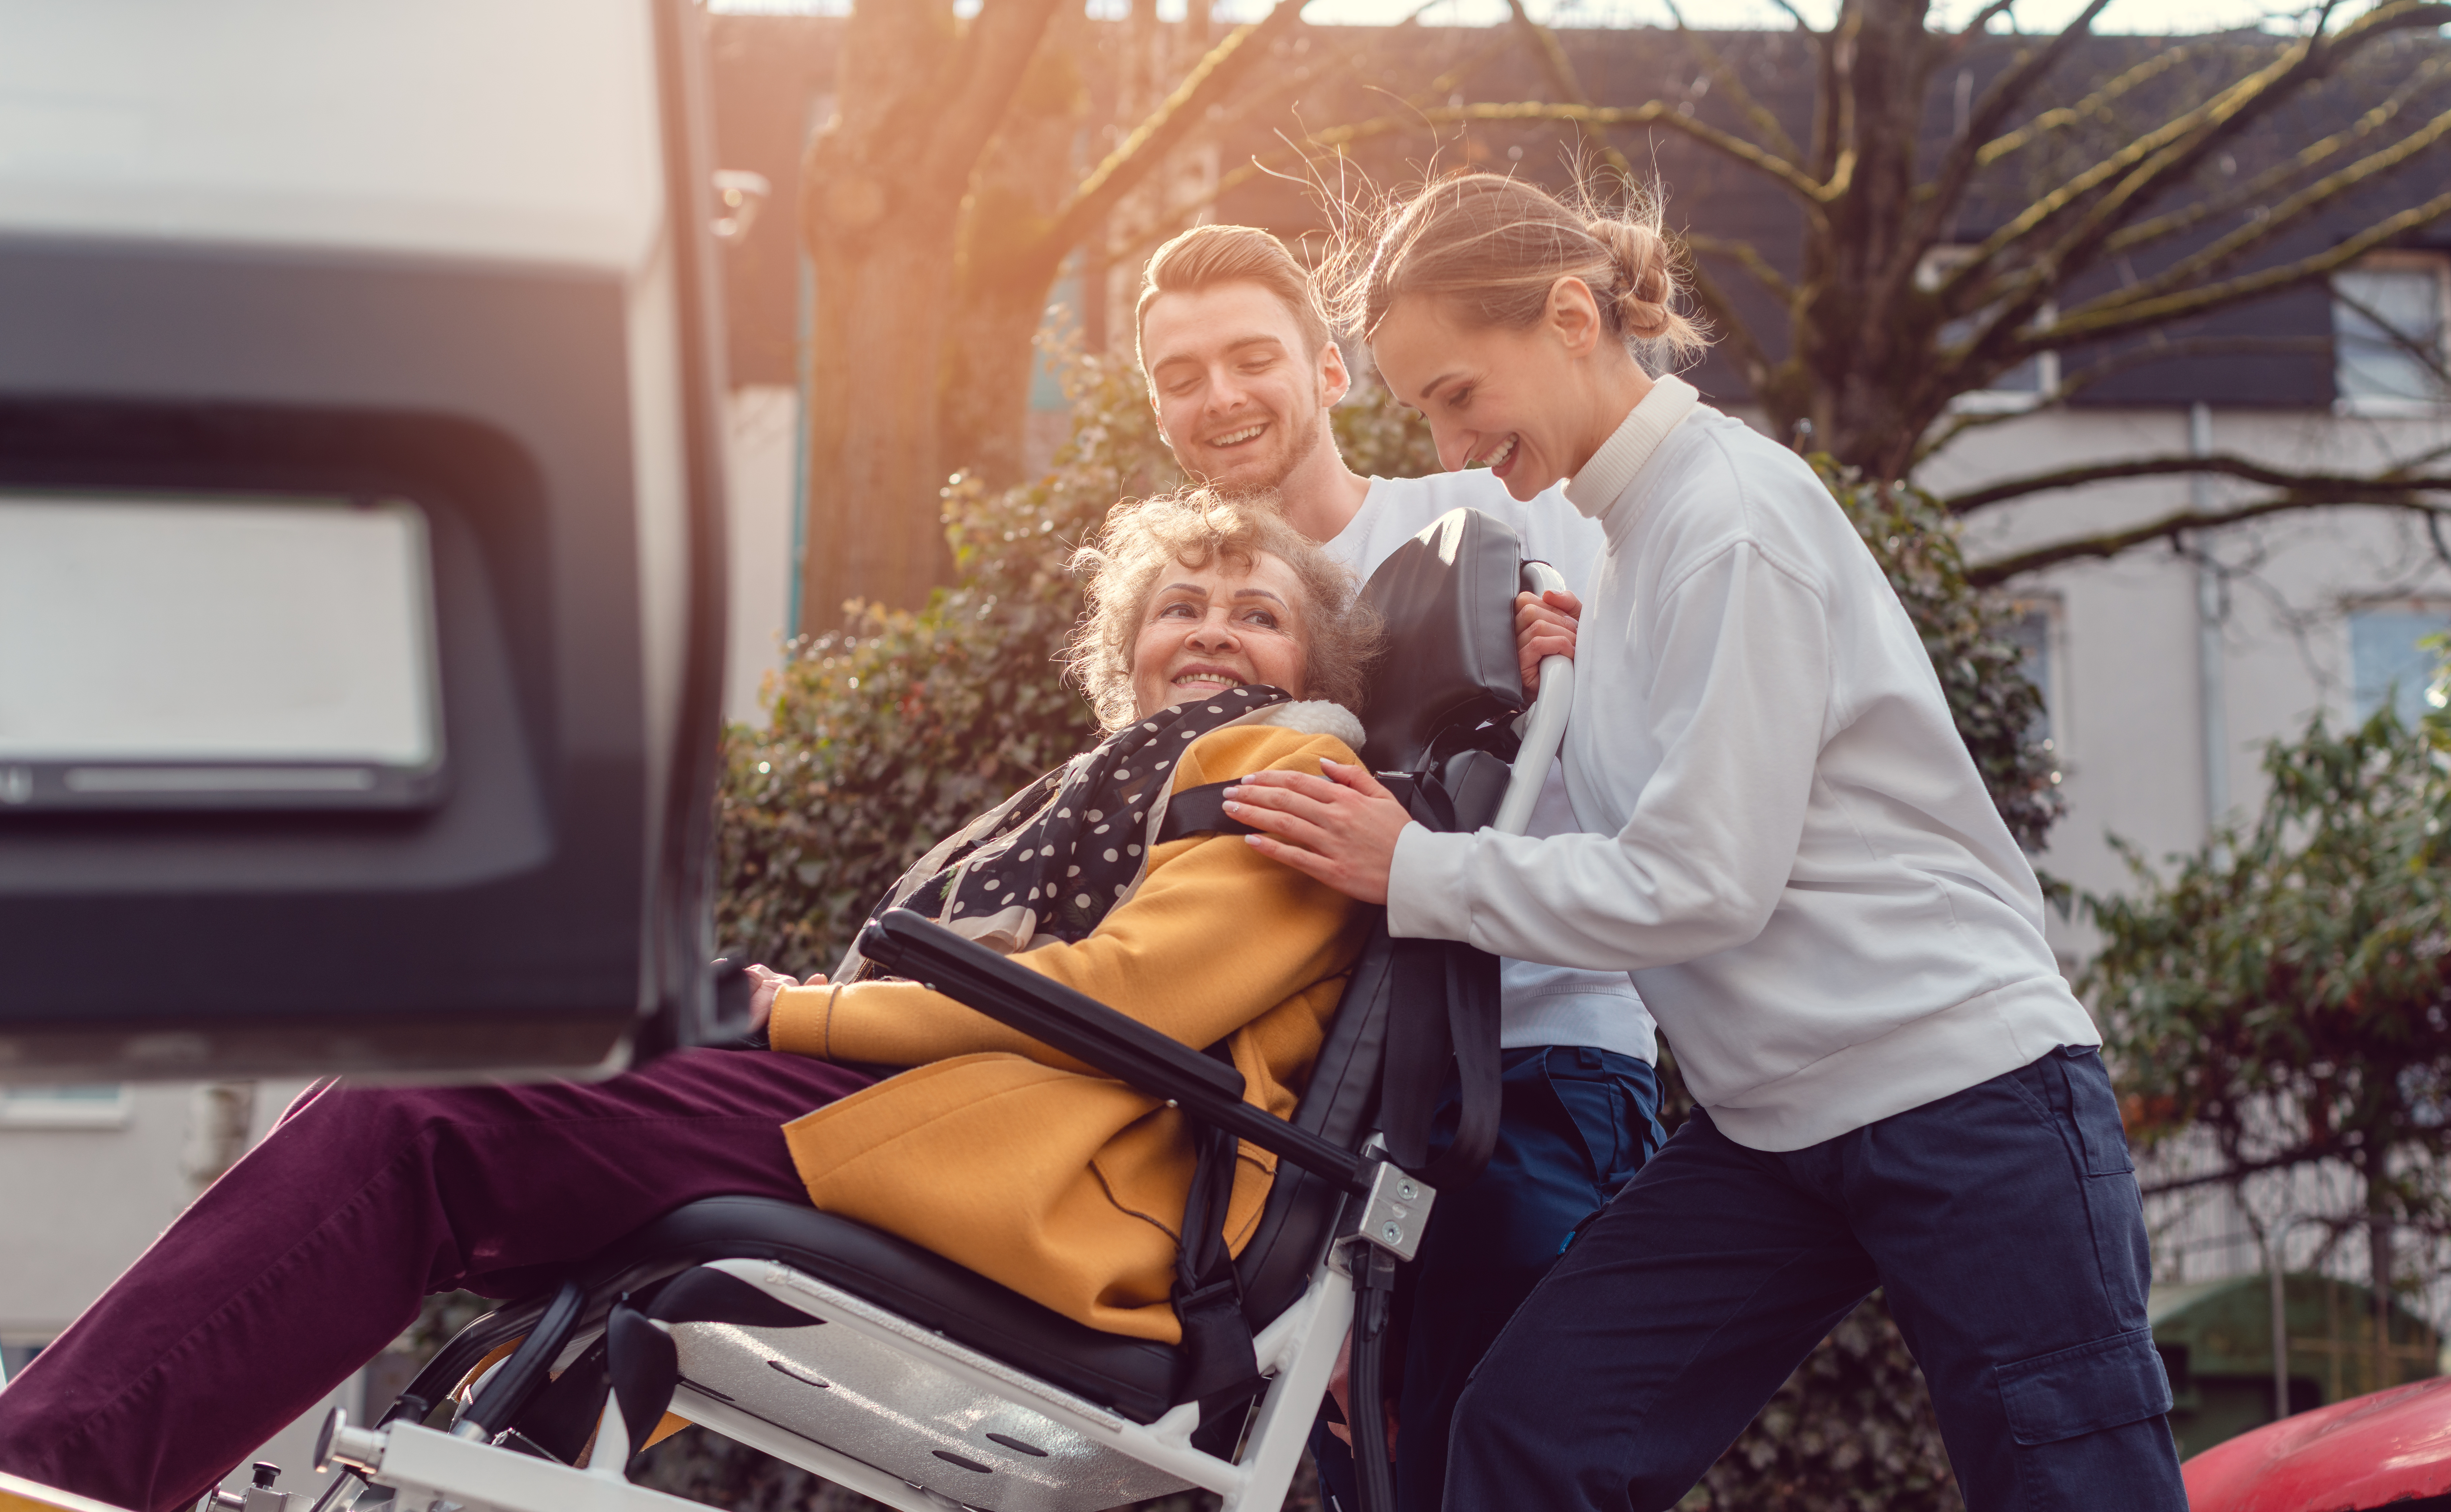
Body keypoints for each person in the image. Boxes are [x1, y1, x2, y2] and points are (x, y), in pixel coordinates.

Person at [0, 490, 1388, 1512]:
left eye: (1256, 613)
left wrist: (791, 1016)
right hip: (940, 1112)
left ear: (1313, 670)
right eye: (1178, 609)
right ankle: (63, 1461)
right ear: (1123, 652)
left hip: (1057, 1183)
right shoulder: (1112, 787)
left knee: (434, 1111)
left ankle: (48, 1469)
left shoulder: (1292, 776)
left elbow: (1124, 998)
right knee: (441, 1083)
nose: (1210, 635)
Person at [1221, 173, 2189, 1512]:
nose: (1447, 443)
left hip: (1965, 1093)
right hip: (1778, 1126)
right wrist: (1583, 667)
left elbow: (1701, 880)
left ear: (1570, 316)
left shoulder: (1726, 516)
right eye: (1425, 411)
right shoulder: (1625, 549)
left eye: (1455, 394)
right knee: (1531, 1431)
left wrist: (1414, 868)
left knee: (2070, 1490)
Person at [1134, 221, 1665, 1512]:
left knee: (1497, 1462)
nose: (1221, 396)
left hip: (1525, 1065)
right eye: (1181, 373)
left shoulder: (1490, 509)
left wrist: (1587, 661)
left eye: (1251, 357)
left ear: (1327, 370)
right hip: (1303, 1131)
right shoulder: (1199, 612)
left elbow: (1657, 747)